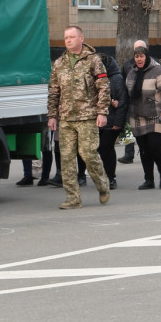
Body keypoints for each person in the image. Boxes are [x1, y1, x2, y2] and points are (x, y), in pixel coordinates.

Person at [47, 25, 111, 209]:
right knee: (66, 158)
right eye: (66, 37)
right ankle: (73, 198)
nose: (68, 40)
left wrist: (102, 112)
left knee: (88, 154)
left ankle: (103, 185)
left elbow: (103, 87)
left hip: (87, 116)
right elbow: (53, 91)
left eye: (72, 37)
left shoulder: (93, 60)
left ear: (81, 38)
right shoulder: (59, 63)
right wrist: (52, 116)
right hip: (66, 118)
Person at [126, 46, 161, 190]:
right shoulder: (132, 73)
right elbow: (126, 92)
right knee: (144, 149)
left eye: (141, 56)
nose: (139, 59)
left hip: (156, 114)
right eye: (136, 56)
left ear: (146, 56)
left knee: (154, 146)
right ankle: (149, 179)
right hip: (137, 116)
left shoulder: (158, 71)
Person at [97, 51, 129, 189]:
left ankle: (111, 177)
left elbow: (122, 102)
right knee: (101, 149)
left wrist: (118, 123)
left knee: (106, 148)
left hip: (112, 122)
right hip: (98, 120)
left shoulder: (116, 79)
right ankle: (104, 176)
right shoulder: (95, 77)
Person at [117, 39, 148, 165]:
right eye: (136, 49)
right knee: (129, 128)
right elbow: (122, 82)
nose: (138, 53)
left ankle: (145, 152)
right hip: (131, 102)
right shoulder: (127, 64)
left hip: (146, 103)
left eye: (141, 48)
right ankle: (128, 154)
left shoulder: (153, 64)